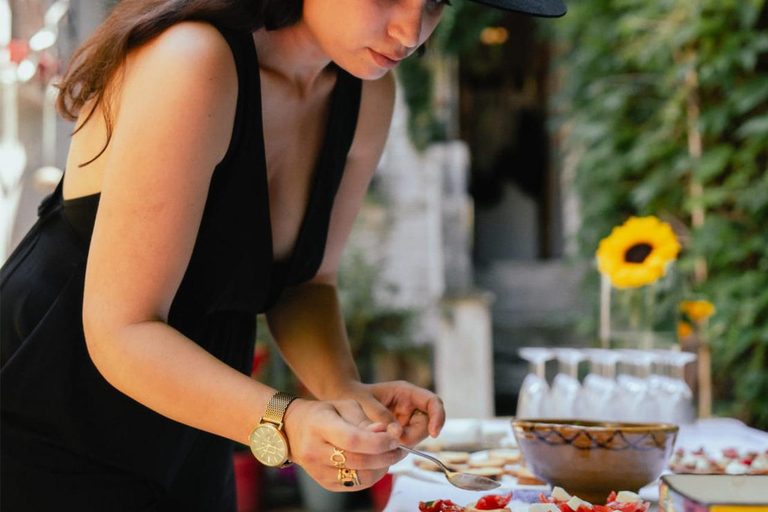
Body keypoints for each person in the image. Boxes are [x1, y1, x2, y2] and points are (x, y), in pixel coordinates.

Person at [0, 0, 565, 509]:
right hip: (49, 411)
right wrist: (288, 423)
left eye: (436, 2)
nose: (411, 29)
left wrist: (346, 400)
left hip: (191, 423)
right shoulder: (192, 61)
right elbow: (121, 327)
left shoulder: (365, 90)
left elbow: (305, 283)